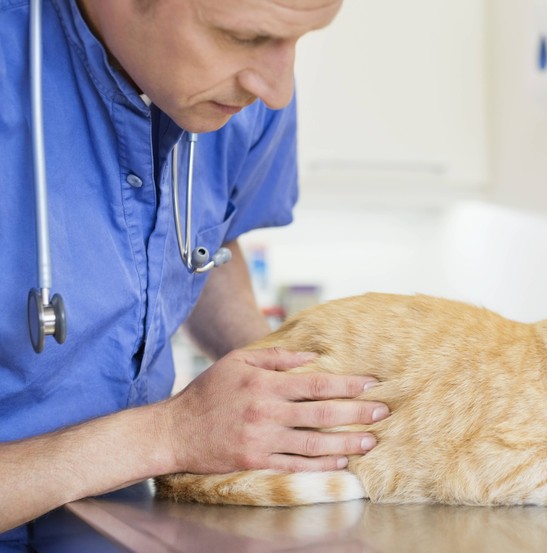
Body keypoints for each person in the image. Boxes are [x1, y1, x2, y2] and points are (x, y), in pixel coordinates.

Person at [0, 0, 389, 541]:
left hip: (120, 516)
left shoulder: (244, 97)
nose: (277, 90)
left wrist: (280, 391)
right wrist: (171, 435)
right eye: (243, 38)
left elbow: (200, 237)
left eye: (299, 39)